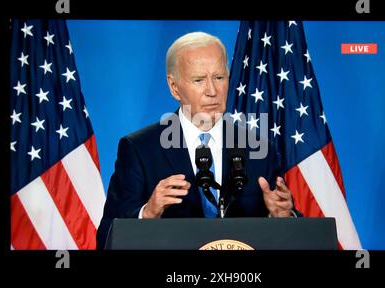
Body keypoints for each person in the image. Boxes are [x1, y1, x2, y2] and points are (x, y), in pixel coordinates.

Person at [96, 32, 297, 249]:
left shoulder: (259, 149)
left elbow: (294, 233)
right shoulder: (140, 149)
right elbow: (107, 235)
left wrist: (284, 216)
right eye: (199, 80)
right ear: (174, 88)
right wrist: (148, 213)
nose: (212, 91)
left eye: (219, 78)